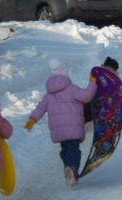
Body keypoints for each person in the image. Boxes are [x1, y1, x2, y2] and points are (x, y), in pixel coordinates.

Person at [24, 59, 97, 187]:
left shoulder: (48, 95)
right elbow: (87, 96)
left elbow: (40, 108)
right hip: (73, 128)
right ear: (65, 74)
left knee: (65, 150)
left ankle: (68, 169)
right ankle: (72, 169)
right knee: (74, 151)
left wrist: (32, 120)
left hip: (59, 131)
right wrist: (93, 84)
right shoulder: (71, 89)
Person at [83, 57, 120, 122]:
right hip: (102, 100)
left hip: (98, 100)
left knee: (89, 110)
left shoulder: (98, 74)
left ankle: (79, 121)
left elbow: (92, 85)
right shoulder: (112, 79)